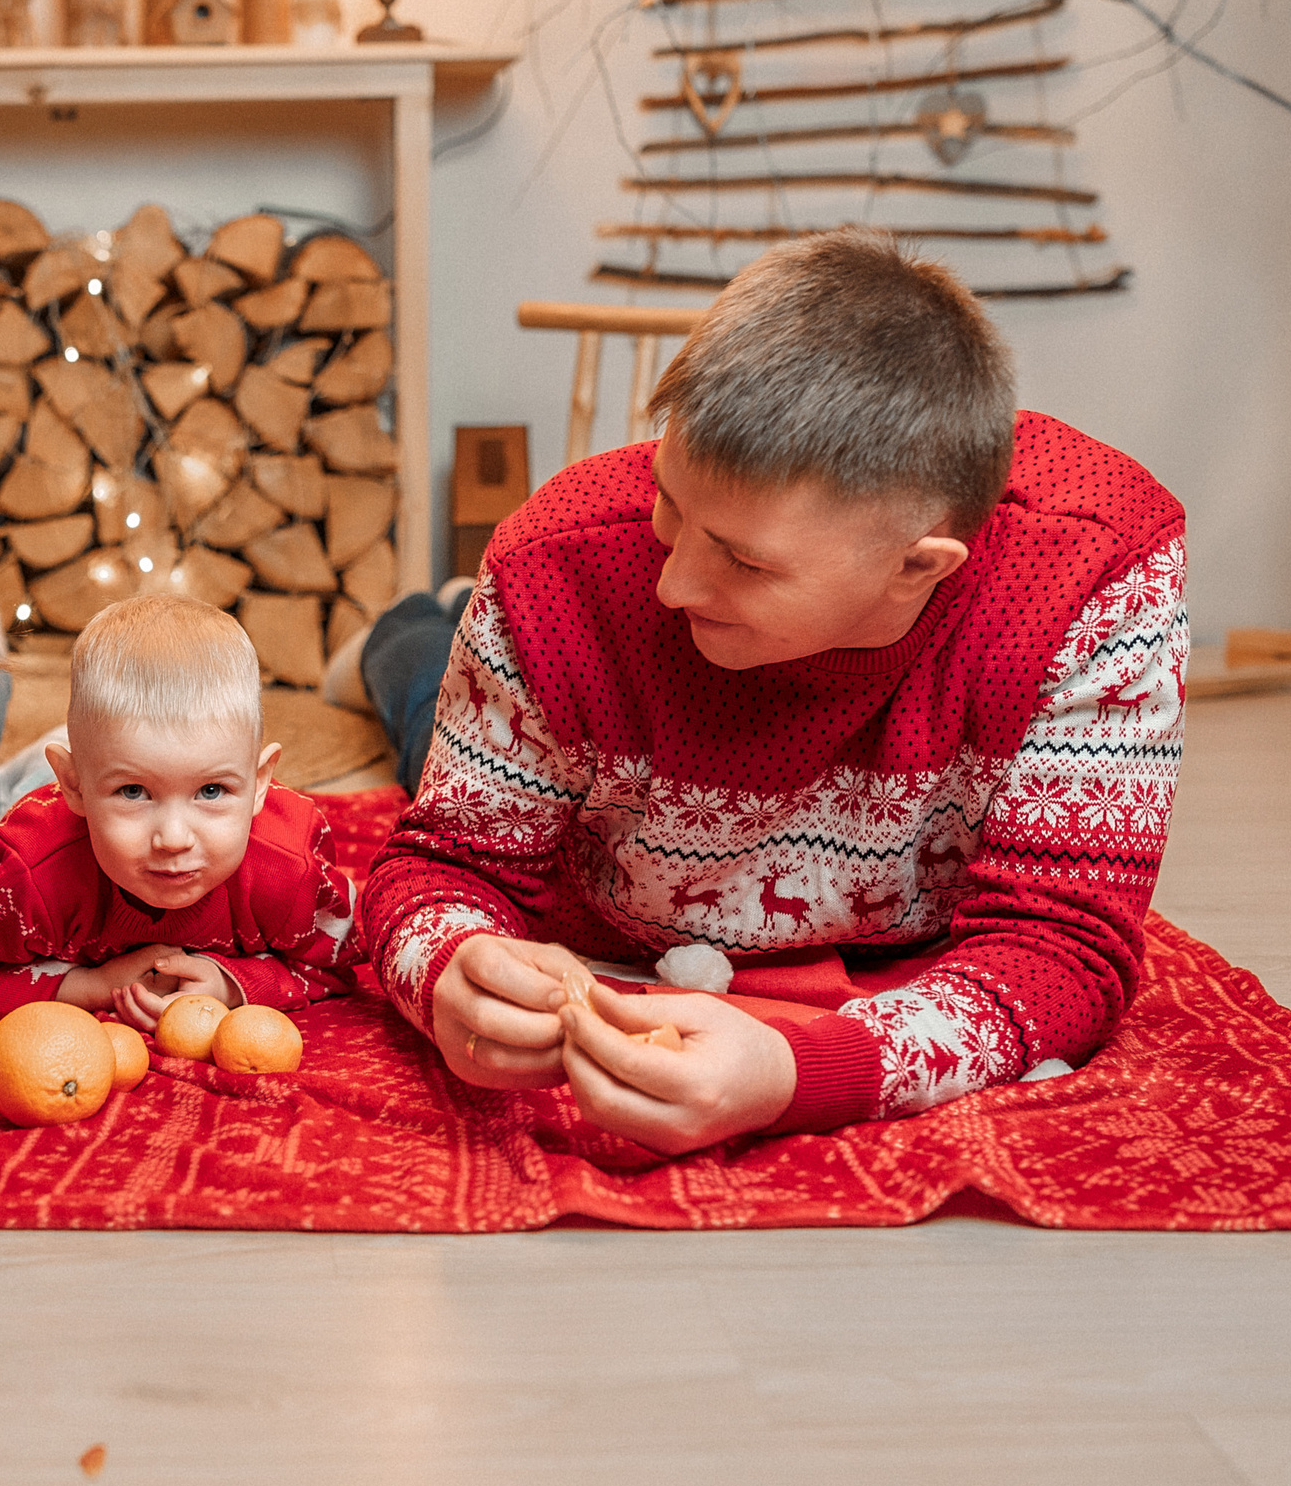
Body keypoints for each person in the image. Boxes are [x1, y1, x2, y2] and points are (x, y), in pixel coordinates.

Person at [358, 228, 1187, 1154]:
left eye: (745, 561)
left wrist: (803, 1072)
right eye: (672, 504)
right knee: (420, 700)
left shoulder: (1098, 574)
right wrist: (445, 969)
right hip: (562, 770)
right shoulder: (555, 566)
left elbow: (1064, 947)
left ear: (919, 567)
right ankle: (409, 630)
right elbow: (442, 867)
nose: (673, 584)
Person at [0, 595, 359, 1028]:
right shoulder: (25, 871)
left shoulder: (292, 871)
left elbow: (338, 965)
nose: (174, 838)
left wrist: (230, 985)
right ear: (74, 785)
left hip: (80, 785)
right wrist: (88, 987)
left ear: (260, 784)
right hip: (37, 814)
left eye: (211, 790)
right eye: (134, 791)